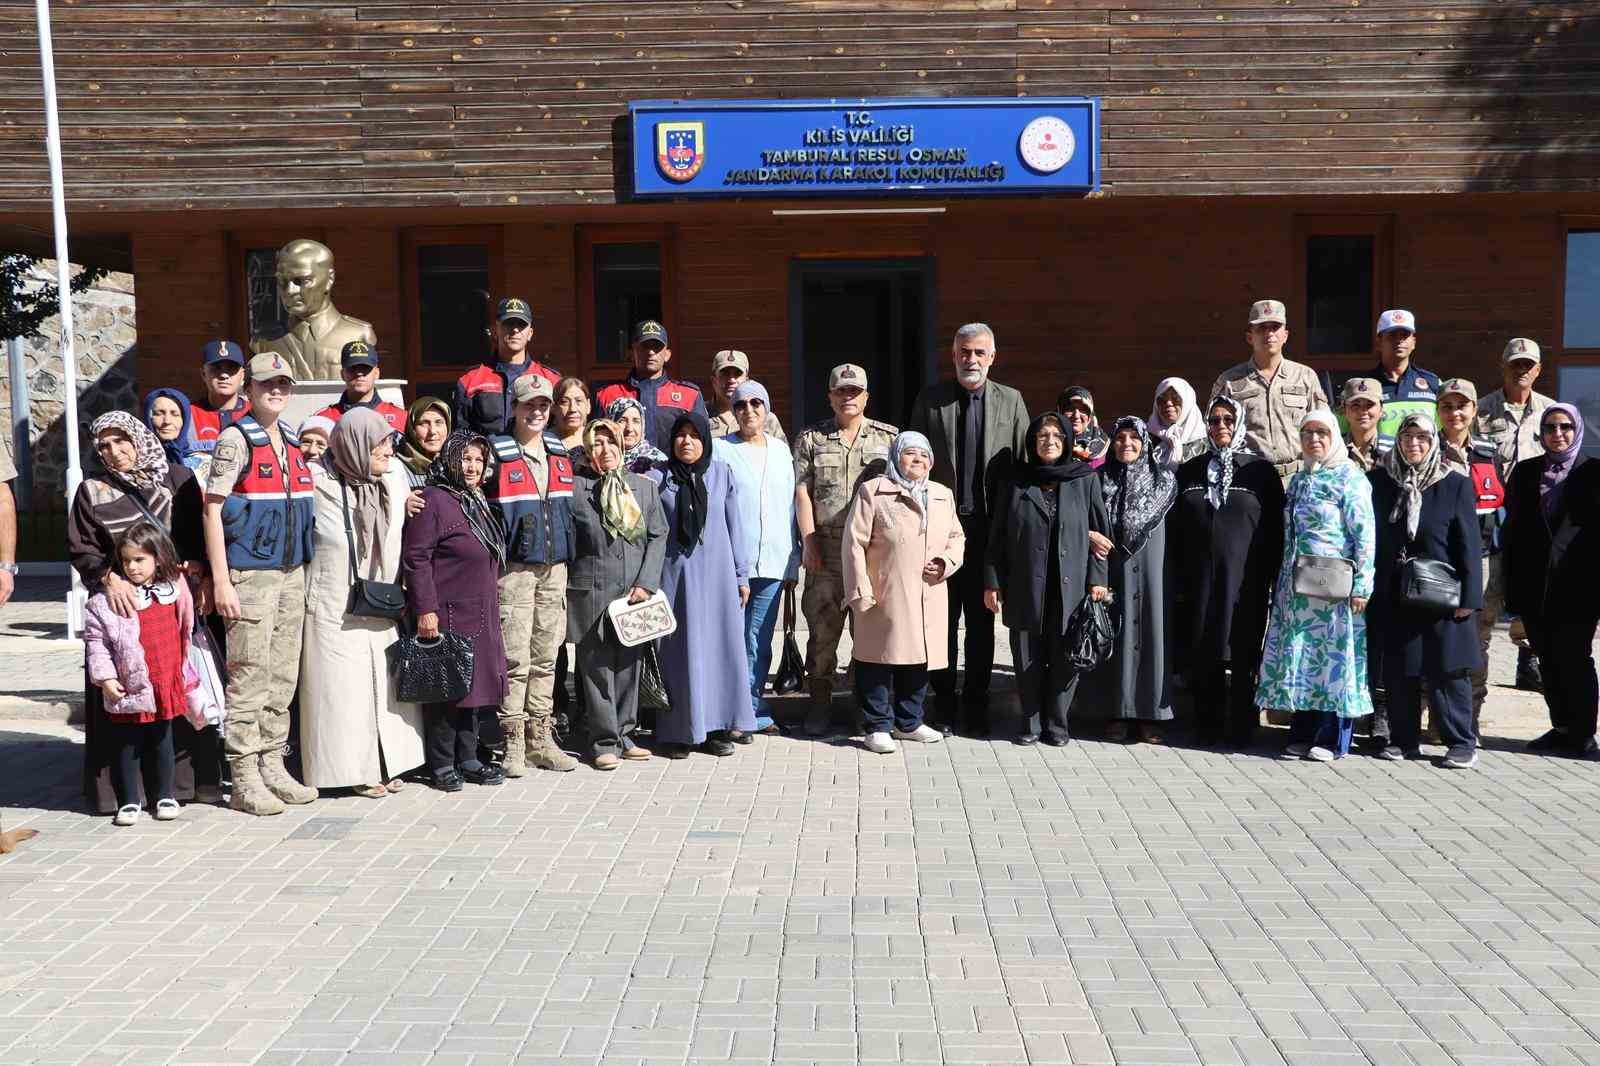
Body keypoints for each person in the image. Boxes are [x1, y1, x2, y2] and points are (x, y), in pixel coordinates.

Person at [69, 411, 208, 814]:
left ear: (138, 438)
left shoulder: (177, 479)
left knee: (172, 694)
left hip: (170, 607)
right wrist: (107, 578)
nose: (114, 452)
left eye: (121, 441)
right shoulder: (92, 491)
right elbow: (82, 546)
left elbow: (194, 535)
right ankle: (123, 796)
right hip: (122, 612)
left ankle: (173, 789)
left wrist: (194, 567)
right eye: (104, 446)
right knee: (124, 701)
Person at [202, 352, 319, 816]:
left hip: (291, 573)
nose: (277, 391)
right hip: (250, 574)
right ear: (249, 388)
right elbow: (212, 509)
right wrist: (220, 579)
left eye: (284, 384)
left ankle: (273, 762)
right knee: (249, 674)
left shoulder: (290, 440)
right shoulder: (236, 439)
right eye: (268, 383)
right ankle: (245, 773)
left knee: (283, 673)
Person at [908, 324, 1029, 737]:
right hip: (941, 529)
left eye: (979, 352)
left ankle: (976, 705)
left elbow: (1023, 466)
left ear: (992, 357)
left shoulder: (1011, 402)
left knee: (981, 622)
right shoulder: (931, 400)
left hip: (988, 530)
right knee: (941, 618)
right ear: (953, 355)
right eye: (964, 352)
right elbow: (914, 462)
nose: (971, 359)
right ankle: (943, 704)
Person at [299, 409, 424, 797]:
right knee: (342, 692)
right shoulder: (318, 483)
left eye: (389, 441)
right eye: (380, 443)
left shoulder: (393, 478)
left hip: (379, 600)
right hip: (332, 604)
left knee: (383, 689)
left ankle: (389, 762)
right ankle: (351, 771)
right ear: (354, 445)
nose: (389, 449)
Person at [1256, 409, 1376, 761]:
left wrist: (1362, 586)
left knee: (1334, 662)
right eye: (1307, 433)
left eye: (1322, 432)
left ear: (1335, 436)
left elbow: (1364, 536)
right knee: (1304, 657)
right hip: (1296, 589)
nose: (1314, 440)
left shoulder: (1350, 479)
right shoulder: (1299, 480)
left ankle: (1331, 739)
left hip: (1335, 590)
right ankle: (1303, 730)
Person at [984, 413, 1108, 746]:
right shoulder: (1016, 481)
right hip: (1025, 585)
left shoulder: (1083, 479)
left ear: (1067, 441)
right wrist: (992, 581)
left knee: (1066, 657)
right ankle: (1030, 723)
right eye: (1041, 435)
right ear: (1031, 442)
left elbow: (1100, 536)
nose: (1049, 441)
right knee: (1026, 657)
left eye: (1056, 435)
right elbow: (997, 537)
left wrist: (1098, 580)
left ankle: (1058, 724)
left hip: (1071, 586)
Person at [1369, 414, 1483, 768]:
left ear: (1434, 440)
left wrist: (1470, 599)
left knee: (1447, 670)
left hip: (1443, 593)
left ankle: (1461, 741)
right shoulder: (1380, 482)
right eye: (1407, 437)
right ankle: (1404, 740)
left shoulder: (1455, 484)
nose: (1414, 444)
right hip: (1396, 592)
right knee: (1401, 670)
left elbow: (1469, 544)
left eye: (1422, 437)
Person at [792, 363, 898, 736]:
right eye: (841, 391)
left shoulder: (889, 439)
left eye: (855, 392)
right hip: (826, 553)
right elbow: (802, 490)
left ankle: (863, 706)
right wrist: (808, 541)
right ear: (830, 396)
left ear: (866, 396)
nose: (848, 397)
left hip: (871, 556)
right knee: (822, 633)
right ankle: (819, 703)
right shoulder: (811, 438)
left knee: (868, 634)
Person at [401, 431, 511, 790]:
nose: (472, 466)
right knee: (448, 691)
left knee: (474, 691)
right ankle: (442, 763)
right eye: (465, 459)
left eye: (479, 460)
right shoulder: (433, 500)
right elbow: (417, 558)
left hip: (480, 609)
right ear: (450, 460)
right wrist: (425, 610)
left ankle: (469, 758)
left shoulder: (474, 499)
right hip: (447, 609)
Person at [843, 431, 964, 754]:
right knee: (878, 658)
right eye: (910, 454)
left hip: (928, 592)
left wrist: (946, 561)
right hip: (885, 590)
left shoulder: (941, 494)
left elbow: (957, 537)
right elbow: (854, 543)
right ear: (896, 457)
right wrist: (859, 588)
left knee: (918, 657)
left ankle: (909, 722)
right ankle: (877, 725)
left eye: (924, 455)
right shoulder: (874, 491)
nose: (918, 460)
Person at [1173, 395, 1284, 746]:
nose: (1221, 426)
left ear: (1240, 424)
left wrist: (1274, 577)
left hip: (1246, 580)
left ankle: (1241, 727)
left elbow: (1276, 531)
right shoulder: (1191, 470)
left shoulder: (1259, 471)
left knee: (1242, 651)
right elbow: (1177, 526)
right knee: (1205, 650)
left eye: (1228, 420)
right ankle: (1206, 725)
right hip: (1200, 579)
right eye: (1215, 420)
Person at [485, 374, 579, 775]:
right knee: (514, 657)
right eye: (529, 406)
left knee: (546, 655)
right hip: (515, 572)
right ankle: (513, 741)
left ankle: (541, 737)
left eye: (543, 405)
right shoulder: (496, 453)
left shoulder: (560, 451)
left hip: (554, 567)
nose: (537, 412)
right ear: (515, 408)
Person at [650, 412, 754, 757]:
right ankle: (678, 731)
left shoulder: (721, 473)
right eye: (681, 435)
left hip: (719, 578)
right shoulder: (657, 478)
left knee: (718, 650)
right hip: (675, 578)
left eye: (695, 435)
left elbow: (734, 526)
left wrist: (741, 575)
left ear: (706, 441)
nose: (687, 441)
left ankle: (716, 728)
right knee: (679, 652)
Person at [566, 420, 668, 769]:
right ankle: (602, 742)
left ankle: (625, 736)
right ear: (588, 451)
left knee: (629, 667)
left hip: (632, 594)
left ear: (621, 447)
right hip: (590, 592)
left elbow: (658, 535)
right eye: (597, 444)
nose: (605, 450)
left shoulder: (643, 488)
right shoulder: (576, 490)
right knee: (596, 671)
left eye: (611, 442)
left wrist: (646, 582)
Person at [1502, 404, 1600, 758]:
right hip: (1534, 586)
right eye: (1550, 427)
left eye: (1565, 427)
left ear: (1577, 430)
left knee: (1575, 659)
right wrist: (1513, 595)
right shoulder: (1526, 472)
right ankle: (1561, 727)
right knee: (1547, 659)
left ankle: (1583, 733)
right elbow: (1511, 531)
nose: (1557, 434)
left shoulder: (1594, 473)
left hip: (1579, 587)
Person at [83, 523, 197, 827]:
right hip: (130, 685)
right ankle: (130, 800)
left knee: (163, 739)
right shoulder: (107, 601)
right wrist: (106, 678)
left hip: (166, 679)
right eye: (126, 561)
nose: (132, 567)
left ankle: (165, 795)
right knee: (127, 744)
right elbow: (96, 642)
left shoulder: (174, 590)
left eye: (139, 560)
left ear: (158, 558)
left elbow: (186, 625)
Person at [714, 381, 800, 732]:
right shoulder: (721, 450)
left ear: (767, 409)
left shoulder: (781, 451)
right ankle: (733, 709)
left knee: (759, 638)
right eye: (741, 405)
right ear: (732, 411)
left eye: (756, 403)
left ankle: (751, 707)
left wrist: (794, 560)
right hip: (734, 562)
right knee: (732, 638)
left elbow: (791, 507)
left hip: (775, 559)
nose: (749, 410)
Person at [1091, 417, 1178, 742]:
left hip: (1154, 571)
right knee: (1116, 636)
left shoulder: (1165, 481)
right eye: (1120, 437)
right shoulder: (1099, 479)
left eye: (1134, 437)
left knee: (1153, 638)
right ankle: (1117, 711)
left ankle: (1151, 715)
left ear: (1145, 442)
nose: (1126, 443)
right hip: (1112, 569)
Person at [1476, 337, 1554, 693]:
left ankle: (1529, 662)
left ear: (1538, 370)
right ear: (1502, 366)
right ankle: (1476, 681)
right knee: (1487, 601)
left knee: (1531, 599)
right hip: (1492, 520)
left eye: (1528, 365)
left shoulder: (1552, 414)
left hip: (1534, 522)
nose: (1521, 370)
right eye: (1515, 364)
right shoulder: (1481, 411)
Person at [1435, 378, 1506, 730]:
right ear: (1438, 411)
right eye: (1447, 406)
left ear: (1475, 410)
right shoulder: (1425, 447)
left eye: (1462, 406)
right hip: (1437, 561)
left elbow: (1499, 506)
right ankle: (1434, 722)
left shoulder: (1487, 452)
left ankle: (1468, 722)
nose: (1455, 413)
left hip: (1479, 559)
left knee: (1476, 640)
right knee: (1432, 636)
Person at [1211, 300, 1330, 483]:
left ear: (1286, 335)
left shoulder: (1305, 377)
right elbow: (1214, 433)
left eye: (1275, 327)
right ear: (1250, 336)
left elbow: (1325, 427)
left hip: (1298, 477)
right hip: (1249, 478)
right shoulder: (1229, 381)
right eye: (1261, 328)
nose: (1269, 333)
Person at [452, 298, 561, 436]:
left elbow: (560, 430)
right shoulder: (470, 380)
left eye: (521, 325)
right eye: (508, 323)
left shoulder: (552, 380)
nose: (515, 330)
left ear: (530, 333)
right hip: (486, 455)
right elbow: (461, 435)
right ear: (495, 330)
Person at [594, 320, 708, 450]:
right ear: (631, 353)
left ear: (667, 354)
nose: (651, 352)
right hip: (622, 469)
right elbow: (595, 441)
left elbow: (702, 441)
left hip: (672, 470)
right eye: (644, 346)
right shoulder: (606, 395)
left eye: (657, 347)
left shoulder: (689, 395)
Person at [1368, 310, 1439, 447]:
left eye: (1405, 335)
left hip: (1422, 463)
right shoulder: (1365, 386)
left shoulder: (1433, 383)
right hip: (1377, 464)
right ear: (1379, 342)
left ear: (1413, 342)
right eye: (1392, 335)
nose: (1399, 340)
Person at [310, 340, 407, 433]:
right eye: (353, 368)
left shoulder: (400, 418)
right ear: (342, 374)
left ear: (377, 373)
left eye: (365, 368)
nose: (359, 373)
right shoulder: (323, 419)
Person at [708, 349, 785, 439]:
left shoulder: (766, 419)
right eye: (725, 374)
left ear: (746, 380)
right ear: (714, 380)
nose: (731, 380)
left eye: (738, 374)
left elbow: (782, 452)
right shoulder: (700, 416)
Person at [189, 340, 251, 447]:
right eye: (216, 368)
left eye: (232, 368)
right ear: (204, 374)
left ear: (242, 376)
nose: (224, 375)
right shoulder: (189, 414)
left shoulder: (254, 413)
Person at [143, 388, 208, 481]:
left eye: (175, 414)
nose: (167, 421)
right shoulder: (136, 462)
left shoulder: (203, 463)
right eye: (159, 413)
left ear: (184, 419)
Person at [397, 395, 451, 499]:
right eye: (424, 424)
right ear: (412, 428)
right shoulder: (397, 469)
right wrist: (403, 505)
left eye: (439, 423)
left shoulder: (456, 466)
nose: (432, 431)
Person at [1147, 378, 1208, 469]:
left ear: (1188, 402)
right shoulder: (1144, 438)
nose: (1168, 403)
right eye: (1161, 400)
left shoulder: (1204, 442)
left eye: (1175, 399)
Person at [602, 396, 667, 474]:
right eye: (622, 421)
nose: (629, 429)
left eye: (636, 421)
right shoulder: (600, 457)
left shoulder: (657, 461)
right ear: (610, 423)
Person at [1340, 377, 1387, 472]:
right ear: (1344, 410)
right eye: (1355, 405)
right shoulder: (1335, 447)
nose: (1362, 411)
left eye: (1370, 405)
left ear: (1381, 409)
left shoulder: (1394, 448)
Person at [1057, 387, 1109, 468]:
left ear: (1090, 415)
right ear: (1060, 412)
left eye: (1083, 410)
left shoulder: (1106, 449)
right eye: (1070, 409)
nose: (1076, 415)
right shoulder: (1051, 444)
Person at [554, 376, 592, 454]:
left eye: (579, 401)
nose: (572, 409)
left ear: (588, 406)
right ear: (554, 407)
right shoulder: (543, 441)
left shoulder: (597, 439)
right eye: (565, 402)